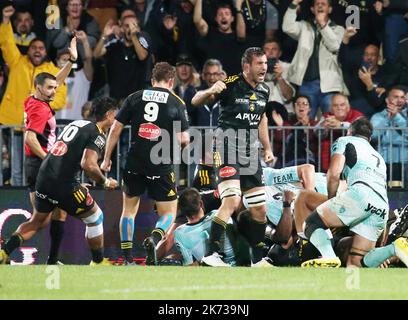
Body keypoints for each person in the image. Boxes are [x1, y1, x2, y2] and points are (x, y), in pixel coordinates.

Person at [0, 97, 119, 265]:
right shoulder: (98, 134)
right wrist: (105, 182)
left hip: (44, 178)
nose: (116, 119)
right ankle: (98, 262)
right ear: (108, 114)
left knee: (36, 221)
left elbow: (64, 156)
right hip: (63, 184)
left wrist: (75, 183)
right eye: (115, 115)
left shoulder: (76, 124)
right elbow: (88, 164)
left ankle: (4, 253)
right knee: (95, 218)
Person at [192, 47, 274, 267]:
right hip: (227, 148)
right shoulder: (230, 84)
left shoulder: (265, 90)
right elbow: (195, 101)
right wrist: (210, 90)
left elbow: (262, 118)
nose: (264, 68)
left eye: (266, 63)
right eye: (259, 63)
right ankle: (213, 254)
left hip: (251, 153)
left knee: (259, 209)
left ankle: (258, 260)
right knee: (232, 200)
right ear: (246, 66)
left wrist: (267, 148)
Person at [101, 62, 190, 265]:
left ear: (152, 81)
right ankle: (154, 238)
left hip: (135, 161)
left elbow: (115, 129)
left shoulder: (135, 97)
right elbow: (184, 139)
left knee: (129, 210)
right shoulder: (177, 102)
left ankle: (127, 258)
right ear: (171, 81)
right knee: (169, 212)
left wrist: (106, 159)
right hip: (160, 162)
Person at [301, 118, 408, 268]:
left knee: (312, 222)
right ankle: (394, 248)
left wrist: (330, 201)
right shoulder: (378, 157)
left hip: (360, 194)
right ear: (369, 138)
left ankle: (329, 257)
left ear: (350, 131)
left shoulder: (345, 140)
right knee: (356, 262)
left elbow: (333, 174)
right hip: (381, 205)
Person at [24, 36, 78, 265]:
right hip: (41, 166)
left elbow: (53, 81)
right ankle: (7, 249)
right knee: (42, 219)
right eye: (51, 88)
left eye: (55, 88)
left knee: (54, 214)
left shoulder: (34, 100)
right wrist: (49, 160)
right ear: (39, 88)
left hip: (33, 166)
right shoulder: (41, 111)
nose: (55, 90)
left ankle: (52, 260)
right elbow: (30, 138)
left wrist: (71, 62)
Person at [0, 5, 67, 186]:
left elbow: (61, 96)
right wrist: (6, 22)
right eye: (33, 47)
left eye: (41, 48)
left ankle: (36, 195)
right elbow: (6, 43)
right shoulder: (17, 62)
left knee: (34, 165)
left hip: (39, 127)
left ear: (46, 52)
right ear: (28, 50)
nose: (37, 50)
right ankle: (16, 193)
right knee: (16, 167)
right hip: (14, 123)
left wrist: (40, 108)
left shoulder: (51, 71)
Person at [282, 0, 347, 119]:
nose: (320, 5)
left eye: (324, 4)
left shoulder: (339, 29)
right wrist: (294, 4)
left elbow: (334, 46)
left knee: (330, 122)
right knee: (305, 121)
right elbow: (287, 27)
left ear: (330, 9)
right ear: (312, 9)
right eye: (317, 4)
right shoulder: (304, 26)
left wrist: (323, 25)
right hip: (307, 84)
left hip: (330, 84)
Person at [174, 188, 250, 266]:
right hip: (237, 265)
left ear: (182, 211)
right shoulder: (219, 215)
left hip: (209, 271)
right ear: (201, 204)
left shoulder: (179, 233)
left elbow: (191, 265)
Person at [193, 0, 245, 76]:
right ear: (216, 19)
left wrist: (238, 9)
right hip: (212, 82)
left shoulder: (237, 36)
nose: (223, 16)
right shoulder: (210, 32)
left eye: (227, 14)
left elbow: (242, 34)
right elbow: (197, 20)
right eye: (220, 14)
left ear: (232, 18)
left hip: (232, 81)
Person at [370, 86, 408, 188]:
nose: (399, 100)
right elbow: (373, 135)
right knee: (391, 195)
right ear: (387, 100)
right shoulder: (377, 117)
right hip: (385, 161)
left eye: (402, 97)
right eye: (396, 97)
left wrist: (397, 118)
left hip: (405, 162)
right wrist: (387, 119)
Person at [319, 93, 363, 172]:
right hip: (329, 161)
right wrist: (323, 127)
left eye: (342, 105)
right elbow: (315, 132)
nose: (339, 108)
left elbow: (360, 130)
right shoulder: (326, 117)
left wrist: (341, 125)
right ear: (331, 108)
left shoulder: (358, 116)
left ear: (348, 107)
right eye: (335, 105)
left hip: (351, 162)